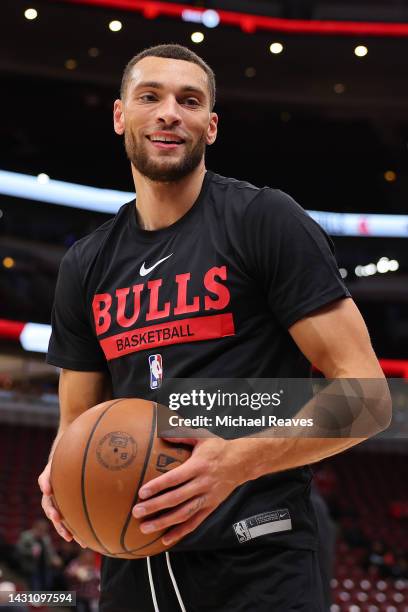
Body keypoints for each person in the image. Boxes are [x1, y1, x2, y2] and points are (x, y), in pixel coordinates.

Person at [38, 44, 391, 611]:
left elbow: (368, 397)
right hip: (134, 566)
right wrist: (64, 476)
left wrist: (235, 461)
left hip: (260, 556)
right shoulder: (87, 265)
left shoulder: (264, 220)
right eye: (150, 96)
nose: (170, 113)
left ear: (212, 125)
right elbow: (77, 421)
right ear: (119, 115)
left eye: (190, 100)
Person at [15, 519, 61, 591]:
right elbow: (19, 550)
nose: (43, 531)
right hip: (31, 568)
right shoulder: (26, 536)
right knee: (35, 587)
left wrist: (54, 557)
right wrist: (31, 552)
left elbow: (50, 551)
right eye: (41, 528)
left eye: (45, 529)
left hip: (45, 567)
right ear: (35, 527)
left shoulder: (46, 538)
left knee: (46, 586)